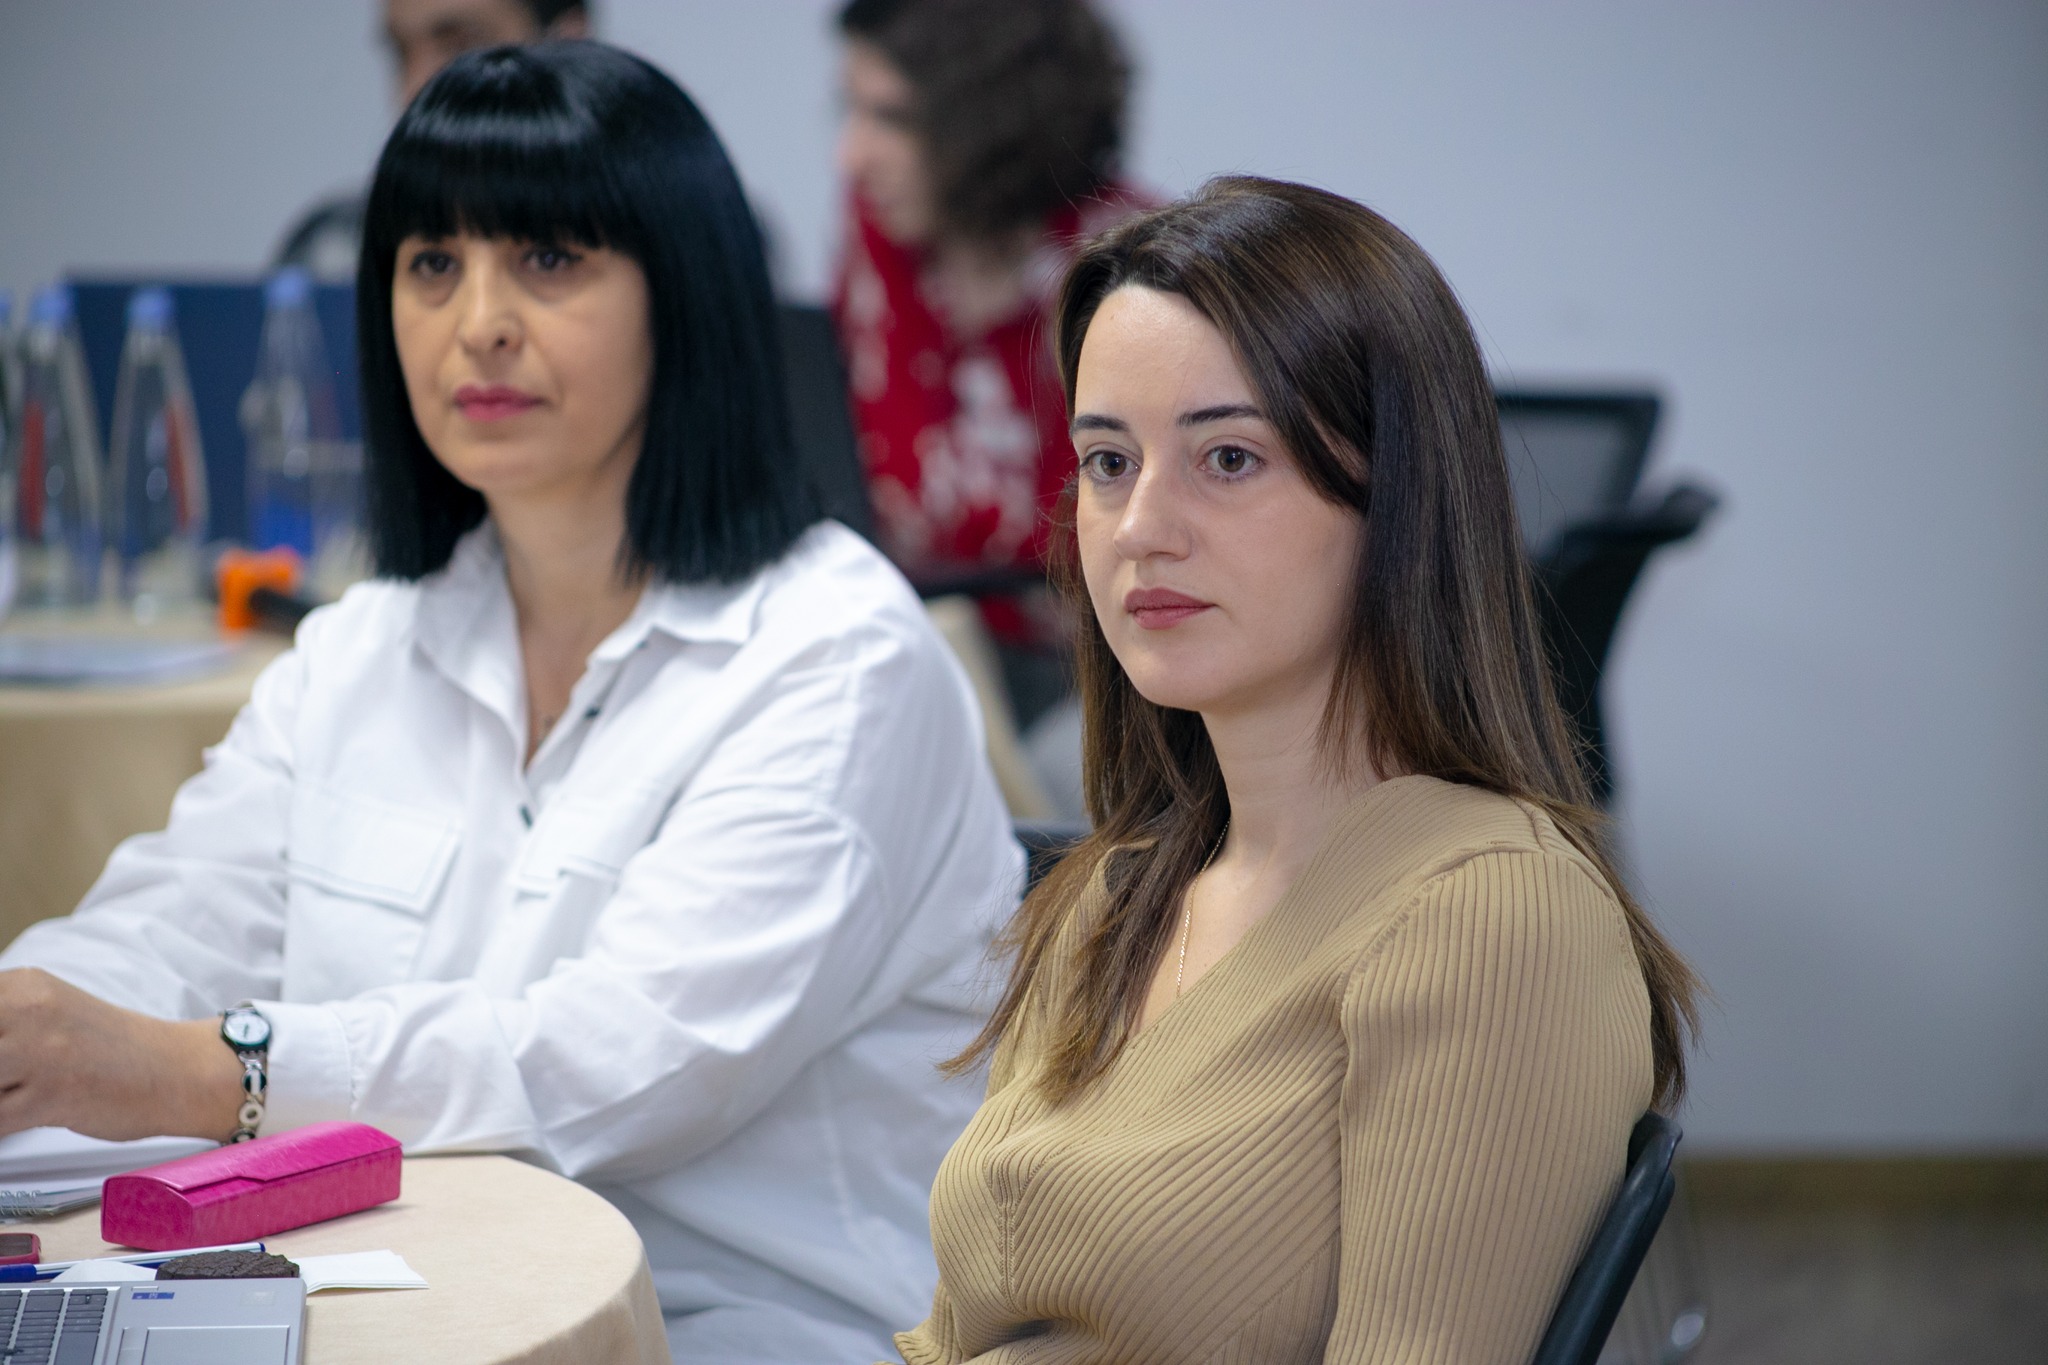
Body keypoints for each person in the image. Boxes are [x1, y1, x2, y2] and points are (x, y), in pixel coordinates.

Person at [0, 43, 1020, 1365]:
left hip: (738, 1324)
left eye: (546, 259)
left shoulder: (838, 656)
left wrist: (193, 1068)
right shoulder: (366, 644)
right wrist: (41, 1026)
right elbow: (171, 923)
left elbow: (607, 1067)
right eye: (432, 263)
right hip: (389, 1288)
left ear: (683, 298)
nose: (477, 320)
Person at [891, 177, 1701, 1364]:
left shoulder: (1489, 917)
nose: (1139, 526)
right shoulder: (1117, 892)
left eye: (1226, 457)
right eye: (1107, 461)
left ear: (1397, 501)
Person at [832, 0, 1142, 685]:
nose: (850, 156)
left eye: (894, 118)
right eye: (849, 109)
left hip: (1094, 675)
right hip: (913, 639)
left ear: (994, 121)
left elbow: (1103, 567)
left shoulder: (1128, 272)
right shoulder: (881, 229)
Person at [274, 0, 591, 279]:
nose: (414, 88)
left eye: (460, 47)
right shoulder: (334, 253)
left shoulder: (616, 222)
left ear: (568, 43)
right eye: (435, 264)